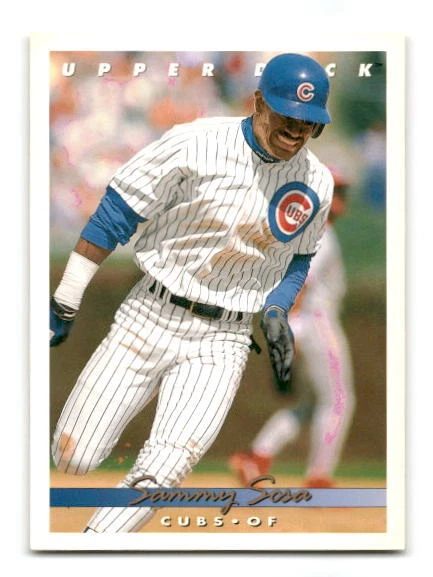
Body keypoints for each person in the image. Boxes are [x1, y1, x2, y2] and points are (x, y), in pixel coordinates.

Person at [49, 52, 334, 533]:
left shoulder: (316, 182)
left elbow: (299, 258)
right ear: (258, 102)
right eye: (288, 114)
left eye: (309, 121)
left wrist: (276, 310)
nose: (297, 129)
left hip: (224, 339)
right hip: (150, 314)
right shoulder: (195, 142)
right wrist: (66, 298)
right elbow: (116, 213)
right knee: (73, 458)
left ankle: (92, 549)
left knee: (167, 464)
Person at [229, 168, 356, 488]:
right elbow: (299, 285)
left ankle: (256, 456)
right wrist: (292, 330)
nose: (341, 199)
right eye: (336, 192)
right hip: (317, 322)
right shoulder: (320, 234)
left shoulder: (306, 231)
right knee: (339, 401)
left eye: (342, 192)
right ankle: (319, 476)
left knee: (312, 404)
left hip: (309, 323)